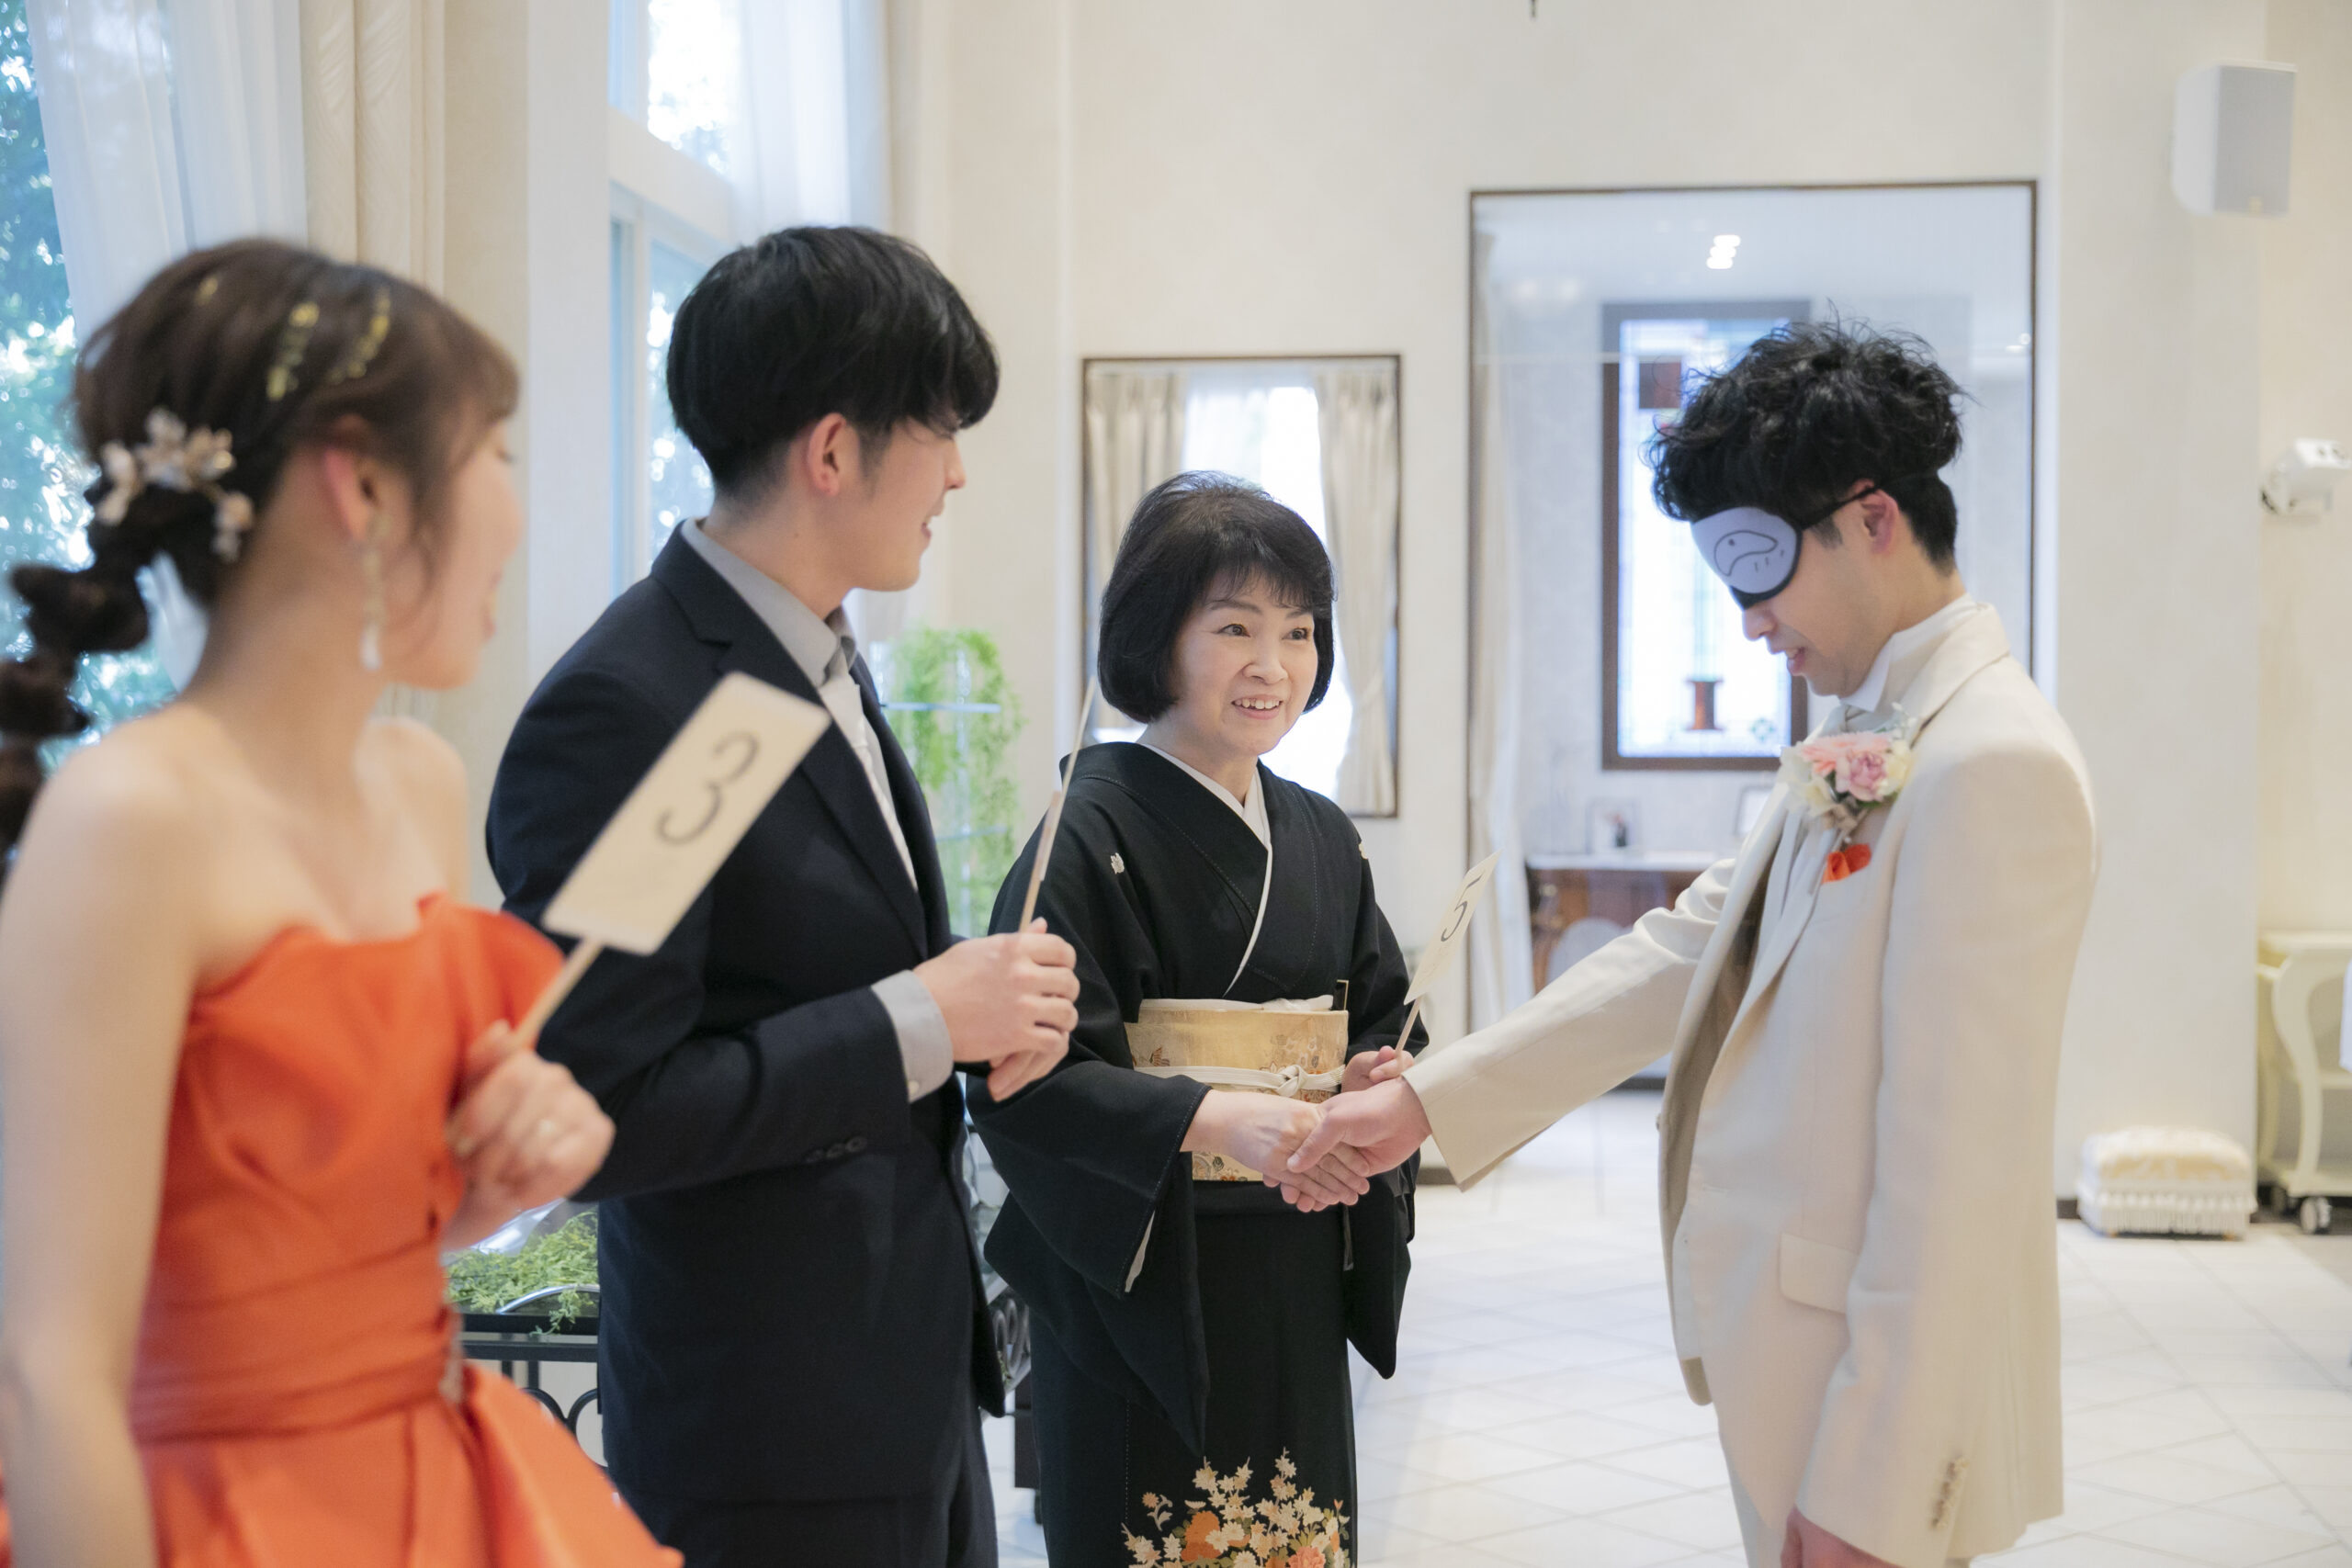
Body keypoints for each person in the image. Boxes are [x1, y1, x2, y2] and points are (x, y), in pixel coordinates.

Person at [1290, 323, 2098, 1568]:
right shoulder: (1872, 726)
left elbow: (1962, 1174)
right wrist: (1425, 1103)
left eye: (1761, 576)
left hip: (1864, 1395)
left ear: (1872, 519)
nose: (1753, 623)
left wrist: (1877, 1489)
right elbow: (1684, 948)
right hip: (1790, 1349)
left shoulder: (1991, 761)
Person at [0, 240, 673, 1567]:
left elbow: (372, 1226)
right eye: (496, 454)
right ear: (362, 483)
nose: (515, 509)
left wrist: (501, 1172)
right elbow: (49, 1367)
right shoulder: (130, 822)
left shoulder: (419, 782)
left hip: (438, 1476)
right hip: (222, 1516)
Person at [487, 225, 1078, 1568]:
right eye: (939, 430)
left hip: (901, 1382)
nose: (957, 472)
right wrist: (920, 1017)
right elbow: (604, 1105)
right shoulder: (641, 705)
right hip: (767, 1433)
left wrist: (976, 1017)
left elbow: (812, 968)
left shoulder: (811, 654)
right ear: (831, 451)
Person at [973, 473, 1422, 1567]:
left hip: (1297, 1245)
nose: (1273, 665)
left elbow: (1385, 1016)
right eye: (1233, 628)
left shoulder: (1322, 834)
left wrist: (1371, 1085)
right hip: (1149, 1271)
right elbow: (1027, 1078)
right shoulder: (1085, 835)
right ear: (1155, 639)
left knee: (1290, 1530)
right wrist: (1217, 1119)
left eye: (1298, 632)